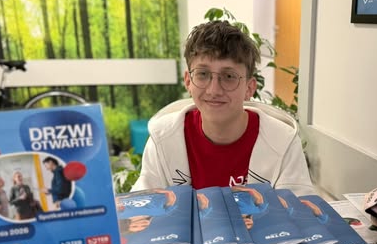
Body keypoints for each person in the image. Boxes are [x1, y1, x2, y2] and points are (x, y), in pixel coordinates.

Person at [132, 20, 313, 195]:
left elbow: (298, 209)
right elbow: (144, 205)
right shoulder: (162, 140)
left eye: (228, 76)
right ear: (188, 81)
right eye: (203, 74)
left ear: (249, 88)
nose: (214, 90)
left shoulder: (283, 142)